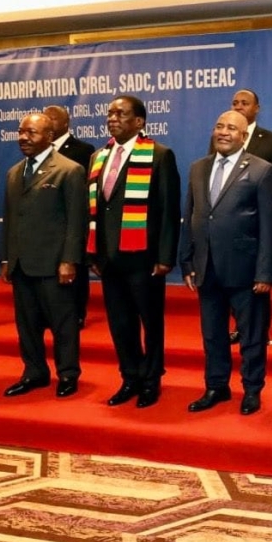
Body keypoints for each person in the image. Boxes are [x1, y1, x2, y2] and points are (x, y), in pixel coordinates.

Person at [181, 111, 272, 416]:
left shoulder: (262, 170)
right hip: (206, 267)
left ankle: (252, 389)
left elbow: (269, 225)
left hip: (246, 270)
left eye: (231, 128)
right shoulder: (198, 168)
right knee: (212, 334)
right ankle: (216, 386)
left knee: (251, 335)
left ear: (244, 135)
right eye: (219, 126)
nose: (223, 132)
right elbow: (192, 215)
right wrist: (186, 261)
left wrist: (264, 271)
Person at [87, 96, 181, 409]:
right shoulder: (99, 156)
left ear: (139, 122)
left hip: (144, 258)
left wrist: (166, 257)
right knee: (120, 323)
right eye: (110, 113)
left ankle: (151, 380)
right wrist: (94, 254)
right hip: (109, 259)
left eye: (121, 113)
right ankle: (130, 377)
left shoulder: (159, 155)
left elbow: (168, 210)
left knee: (150, 323)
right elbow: (97, 209)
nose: (112, 118)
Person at [0, 114, 87, 398]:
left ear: (49, 136)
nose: (24, 137)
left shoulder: (68, 170)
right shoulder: (14, 172)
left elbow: (76, 220)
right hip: (22, 264)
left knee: (63, 324)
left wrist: (69, 260)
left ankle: (68, 374)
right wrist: (6, 260)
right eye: (21, 132)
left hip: (54, 264)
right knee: (27, 326)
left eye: (32, 132)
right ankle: (34, 372)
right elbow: (12, 219)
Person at [208, 89, 272, 345]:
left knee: (254, 299)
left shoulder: (271, 140)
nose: (239, 106)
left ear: (257, 108)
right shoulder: (219, 139)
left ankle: (255, 331)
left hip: (252, 226)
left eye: (245, 103)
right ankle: (239, 327)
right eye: (235, 102)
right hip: (223, 231)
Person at [44, 104, 96, 329]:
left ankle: (77, 313)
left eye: (53, 118)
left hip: (73, 219)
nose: (48, 121)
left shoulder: (83, 150)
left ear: (66, 123)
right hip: (47, 222)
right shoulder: (40, 150)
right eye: (46, 117)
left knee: (76, 268)